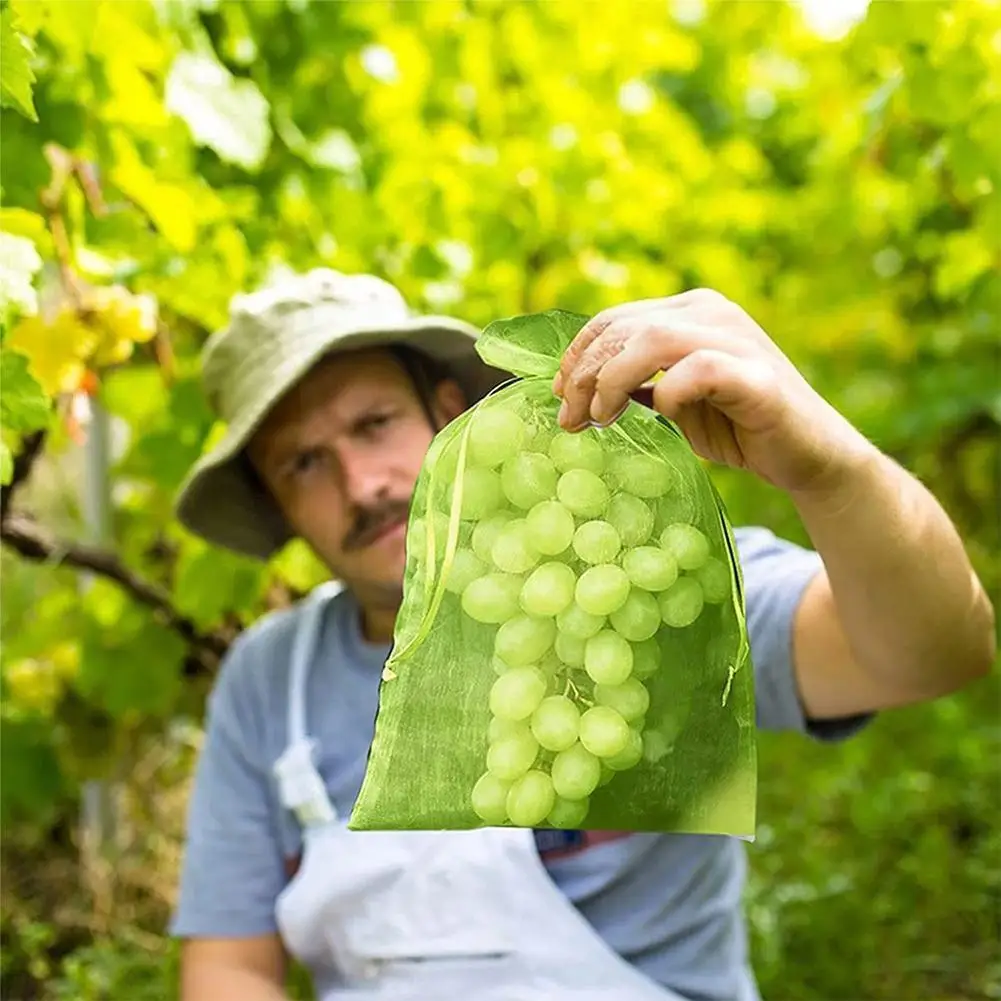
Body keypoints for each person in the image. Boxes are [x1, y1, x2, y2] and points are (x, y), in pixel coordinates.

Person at [169, 269, 994, 1001]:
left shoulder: (641, 585)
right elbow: (230, 963)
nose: (361, 483)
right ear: (278, 506)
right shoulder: (267, 678)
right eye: (303, 463)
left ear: (448, 411)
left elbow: (937, 652)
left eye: (375, 422)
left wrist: (827, 467)